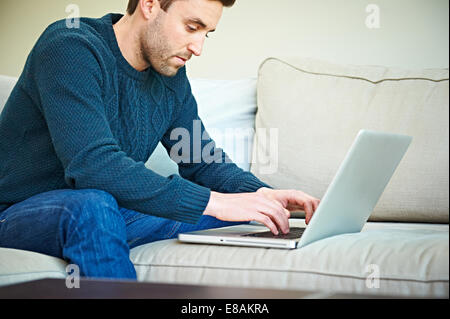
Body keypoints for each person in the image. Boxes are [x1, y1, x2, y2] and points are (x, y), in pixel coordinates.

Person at [0, 0, 320, 280]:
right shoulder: (70, 47)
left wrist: (264, 196)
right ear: (150, 4)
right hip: (18, 214)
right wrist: (216, 201)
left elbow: (201, 160)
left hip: (111, 211)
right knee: (92, 205)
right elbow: (92, 165)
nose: (198, 48)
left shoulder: (169, 75)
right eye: (192, 27)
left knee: (238, 217)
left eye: (205, 33)